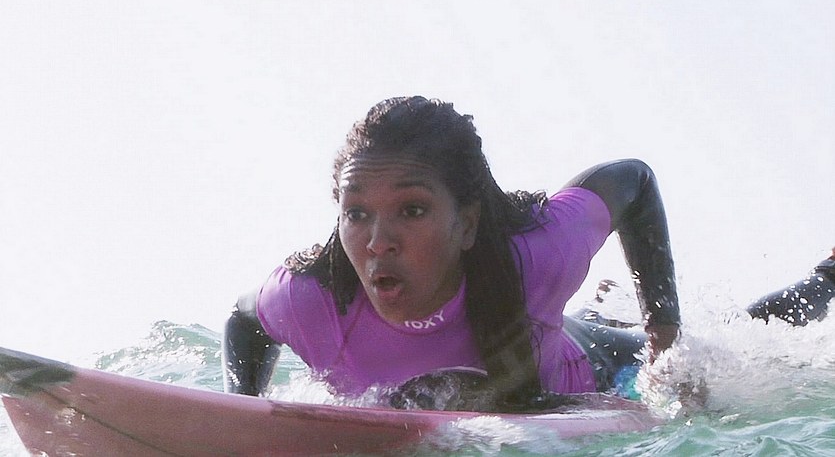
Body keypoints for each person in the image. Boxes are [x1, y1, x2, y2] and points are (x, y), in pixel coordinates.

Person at [221, 96, 831, 412]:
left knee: (733, 343)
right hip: (542, 331)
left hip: (601, 367)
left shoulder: (537, 253)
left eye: (412, 210)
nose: (377, 240)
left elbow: (634, 180)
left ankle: (828, 275)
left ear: (467, 224)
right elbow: (244, 320)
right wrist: (241, 409)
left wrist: (664, 343)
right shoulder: (312, 300)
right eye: (356, 213)